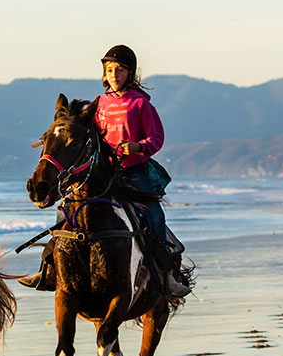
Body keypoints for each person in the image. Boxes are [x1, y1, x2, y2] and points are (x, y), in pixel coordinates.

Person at [20, 44, 190, 298]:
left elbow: (157, 138)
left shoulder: (140, 105)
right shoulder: (100, 105)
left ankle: (166, 275)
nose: (114, 74)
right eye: (109, 69)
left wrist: (137, 146)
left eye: (119, 70)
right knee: (65, 209)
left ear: (130, 74)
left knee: (154, 214)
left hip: (133, 171)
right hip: (102, 171)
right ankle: (49, 268)